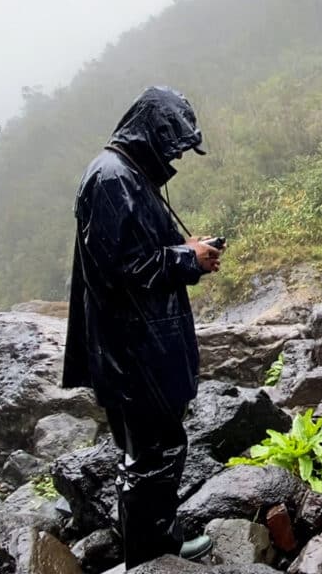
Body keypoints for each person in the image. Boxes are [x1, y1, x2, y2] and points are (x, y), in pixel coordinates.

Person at [63, 86, 221, 569]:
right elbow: (118, 271)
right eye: (172, 144)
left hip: (141, 345)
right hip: (133, 351)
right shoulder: (112, 179)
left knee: (152, 451)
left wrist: (186, 251)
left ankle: (159, 544)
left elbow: (135, 254)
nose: (175, 155)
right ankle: (151, 559)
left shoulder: (125, 174)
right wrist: (184, 258)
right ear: (151, 133)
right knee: (152, 455)